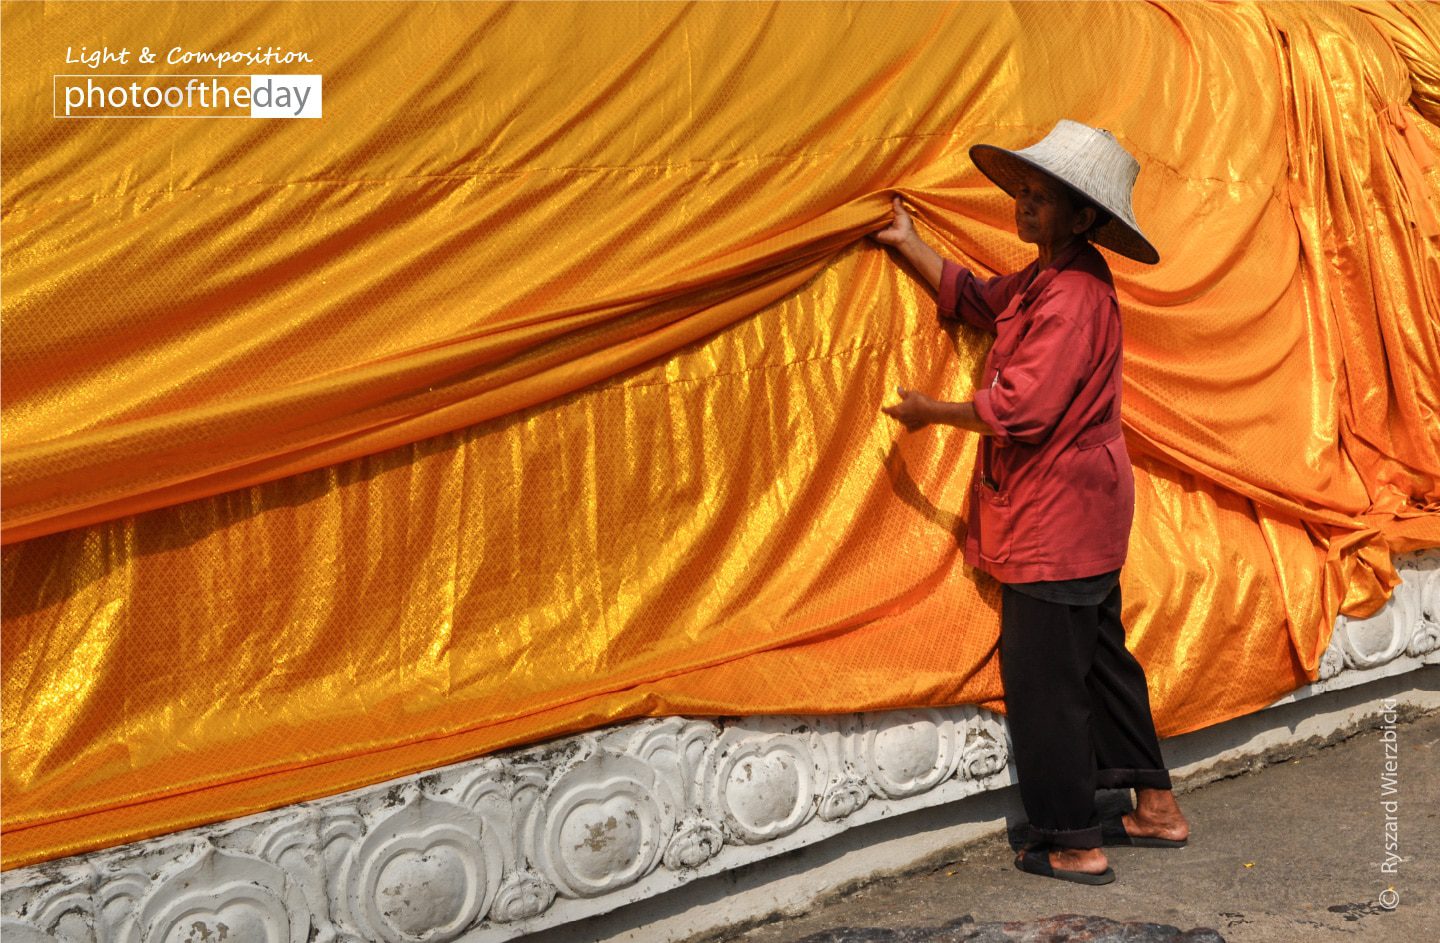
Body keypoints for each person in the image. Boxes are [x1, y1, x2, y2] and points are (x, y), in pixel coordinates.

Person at [874, 120, 1189, 885]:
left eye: (1042, 198)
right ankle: (1154, 808)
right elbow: (979, 300)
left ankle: (1074, 840)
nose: (1024, 206)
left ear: (1083, 217)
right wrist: (906, 241)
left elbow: (1023, 408)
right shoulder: (1050, 278)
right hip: (1085, 516)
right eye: (1023, 191)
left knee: (1045, 683)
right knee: (1105, 665)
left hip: (1055, 520)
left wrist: (932, 411)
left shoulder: (1074, 294)